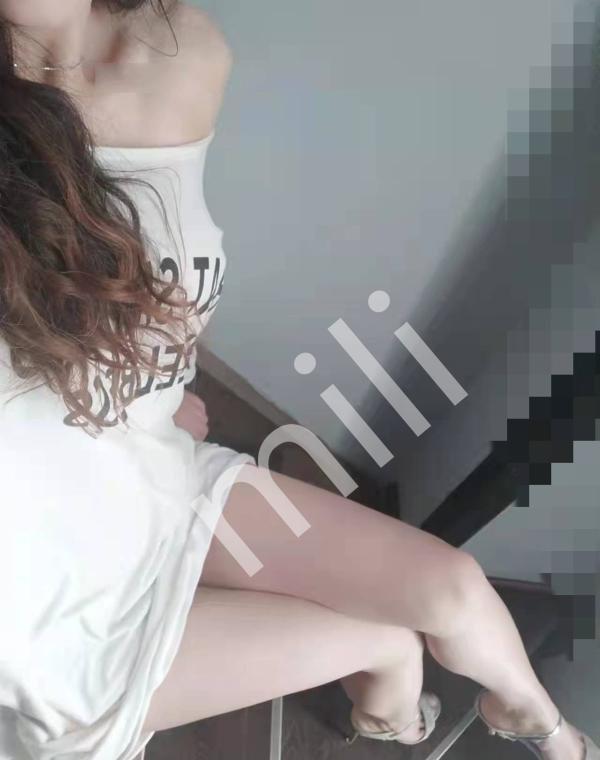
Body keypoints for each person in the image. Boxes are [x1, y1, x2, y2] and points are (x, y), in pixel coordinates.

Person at [0, 1, 596, 759]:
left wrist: (156, 391)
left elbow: (157, 274)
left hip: (144, 466)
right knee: (388, 643)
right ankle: (389, 714)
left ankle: (541, 726)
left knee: (453, 589)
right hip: (47, 592)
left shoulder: (180, 51)